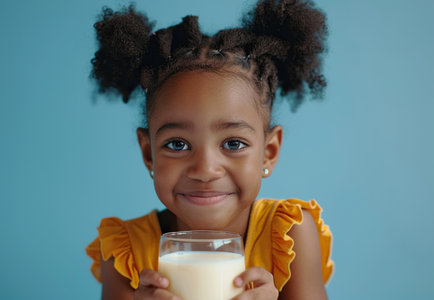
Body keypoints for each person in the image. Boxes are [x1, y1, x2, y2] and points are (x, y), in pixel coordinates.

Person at [86, 0, 334, 299]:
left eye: (233, 144)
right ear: (149, 153)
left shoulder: (290, 234)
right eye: (177, 144)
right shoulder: (124, 250)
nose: (204, 170)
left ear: (268, 153)